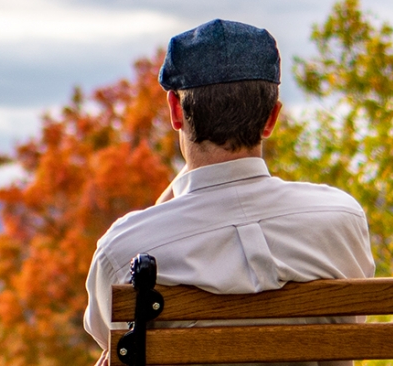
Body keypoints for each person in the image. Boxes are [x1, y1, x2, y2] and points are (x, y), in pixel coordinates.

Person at [83, 19, 375, 366]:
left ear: (176, 111)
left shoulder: (123, 250)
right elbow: (352, 322)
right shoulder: (342, 219)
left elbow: (112, 341)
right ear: (271, 118)